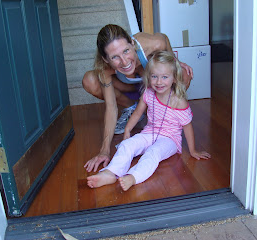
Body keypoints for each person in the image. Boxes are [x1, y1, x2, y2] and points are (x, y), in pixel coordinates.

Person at [87, 51, 210, 191]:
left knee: (153, 152)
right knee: (127, 145)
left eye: (164, 77)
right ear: (148, 77)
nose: (159, 82)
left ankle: (133, 177)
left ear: (174, 79)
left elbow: (187, 127)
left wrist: (193, 150)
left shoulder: (179, 101)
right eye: (154, 76)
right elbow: (138, 112)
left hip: (169, 140)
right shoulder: (148, 93)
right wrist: (127, 129)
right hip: (149, 133)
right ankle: (110, 173)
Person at [83, 24, 194, 173]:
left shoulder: (151, 45)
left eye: (126, 51)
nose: (124, 61)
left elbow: (164, 39)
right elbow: (111, 108)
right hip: (130, 90)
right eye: (115, 57)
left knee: (184, 74)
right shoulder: (106, 68)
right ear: (106, 59)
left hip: (153, 88)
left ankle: (163, 115)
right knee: (90, 79)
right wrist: (104, 150)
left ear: (132, 43)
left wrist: (175, 62)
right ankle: (134, 108)